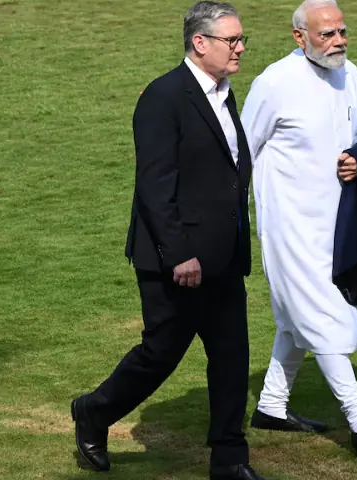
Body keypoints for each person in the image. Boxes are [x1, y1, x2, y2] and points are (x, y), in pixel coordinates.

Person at [71, 3, 266, 479]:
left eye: (242, 40)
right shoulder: (163, 97)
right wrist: (179, 254)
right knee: (160, 354)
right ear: (200, 43)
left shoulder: (223, 93)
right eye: (232, 41)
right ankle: (94, 411)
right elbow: (155, 186)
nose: (241, 49)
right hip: (176, 260)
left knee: (231, 358)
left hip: (223, 257)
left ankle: (229, 458)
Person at [240, 0, 357, 452]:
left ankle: (271, 405)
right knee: (325, 314)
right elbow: (241, 153)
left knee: (299, 317)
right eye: (327, 34)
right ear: (299, 37)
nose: (338, 41)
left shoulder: (354, 76)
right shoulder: (274, 83)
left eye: (342, 32)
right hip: (289, 227)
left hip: (337, 223)